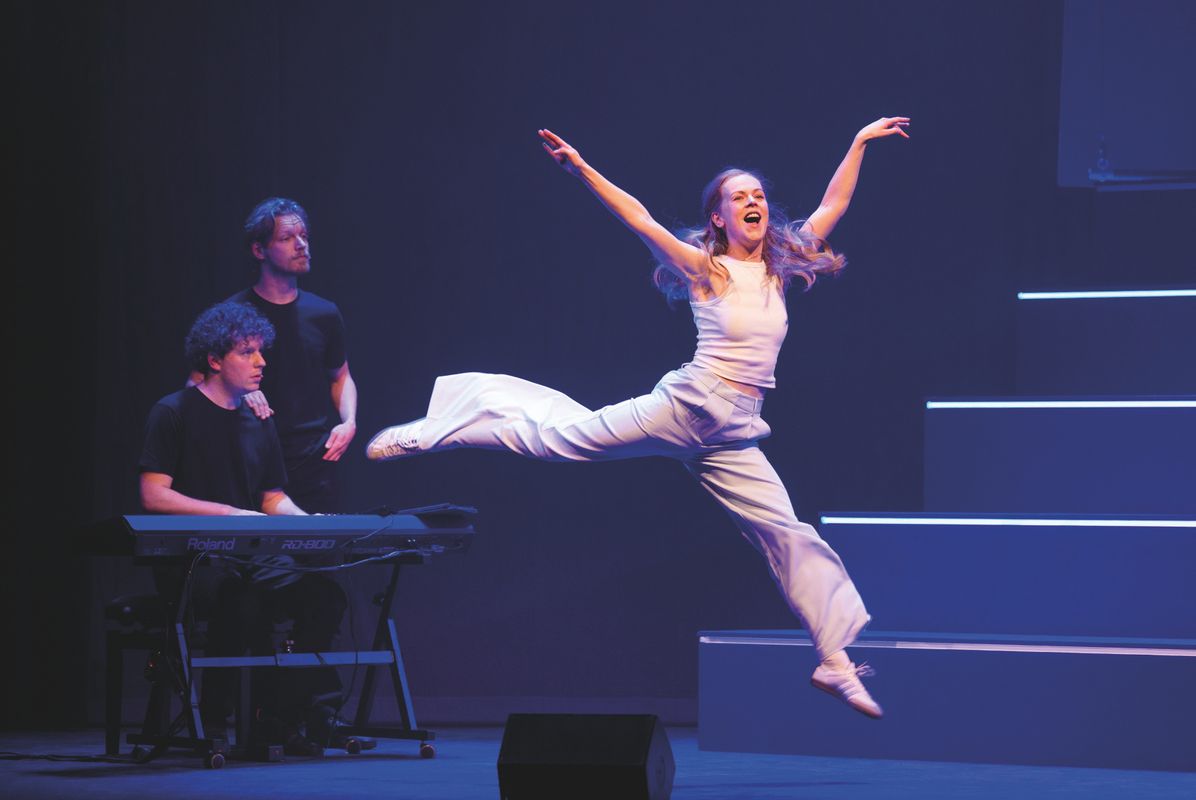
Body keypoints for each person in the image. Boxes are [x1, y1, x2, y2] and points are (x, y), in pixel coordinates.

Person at [365, 119, 910, 718]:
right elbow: (641, 220)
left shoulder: (778, 268)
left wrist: (858, 142)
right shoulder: (706, 269)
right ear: (719, 218)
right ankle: (440, 427)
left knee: (788, 532)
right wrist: (582, 170)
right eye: (739, 197)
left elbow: (833, 204)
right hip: (688, 406)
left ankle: (833, 660)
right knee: (562, 439)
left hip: (733, 433)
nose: (753, 202)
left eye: (758, 194)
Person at [141, 301, 348, 754]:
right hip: (194, 560)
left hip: (249, 556)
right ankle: (215, 722)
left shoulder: (259, 420)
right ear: (215, 360)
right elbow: (154, 495)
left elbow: (271, 497)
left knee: (323, 598)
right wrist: (228, 514)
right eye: (247, 352)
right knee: (241, 602)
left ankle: (276, 717)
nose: (261, 362)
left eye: (261, 351)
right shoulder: (173, 412)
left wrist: (307, 523)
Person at [192, 197, 358, 514]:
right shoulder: (233, 313)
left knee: (321, 542)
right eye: (286, 238)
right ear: (259, 250)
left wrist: (349, 422)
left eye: (304, 236)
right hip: (251, 456)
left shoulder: (324, 313)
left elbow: (341, 376)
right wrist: (240, 394)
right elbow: (197, 386)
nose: (301, 245)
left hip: (314, 459)